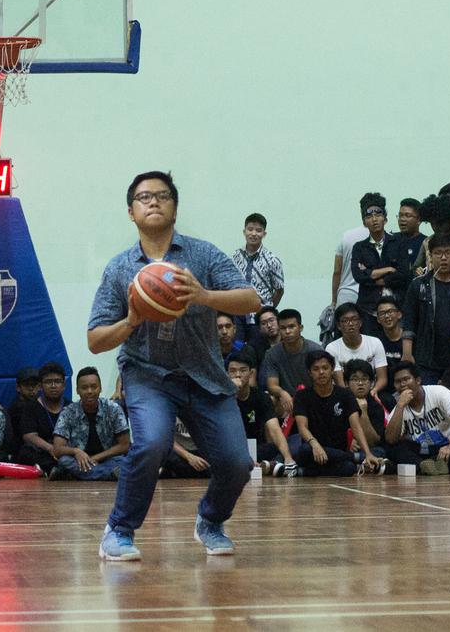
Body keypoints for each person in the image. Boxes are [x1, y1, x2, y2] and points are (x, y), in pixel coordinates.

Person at [87, 170, 260, 561]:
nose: (153, 201)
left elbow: (251, 300)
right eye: (144, 197)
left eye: (162, 195)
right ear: (131, 212)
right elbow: (95, 340)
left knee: (237, 462)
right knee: (151, 444)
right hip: (148, 374)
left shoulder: (203, 255)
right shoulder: (119, 268)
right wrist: (130, 322)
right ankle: (119, 529)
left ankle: (210, 521)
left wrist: (203, 295)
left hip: (204, 374)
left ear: (175, 207)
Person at [291, 351, 381, 476]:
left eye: (325, 368)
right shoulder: (302, 396)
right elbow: (302, 428)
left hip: (336, 453)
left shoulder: (345, 395)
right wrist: (315, 445)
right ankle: (355, 458)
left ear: (332, 370)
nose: (321, 372)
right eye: (316, 369)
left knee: (349, 468)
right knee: (305, 449)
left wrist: (368, 453)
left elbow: (356, 427)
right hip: (312, 450)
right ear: (309, 373)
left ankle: (303, 472)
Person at [384, 362, 450, 475]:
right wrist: (400, 406)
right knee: (393, 449)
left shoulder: (438, 391)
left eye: (406, 379)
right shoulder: (399, 407)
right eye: (398, 382)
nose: (402, 384)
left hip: (447, 448)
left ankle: (424, 467)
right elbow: (390, 439)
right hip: (423, 451)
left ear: (418, 380)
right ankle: (425, 466)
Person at [402, 233, 450, 385]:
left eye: (448, 253)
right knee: (429, 403)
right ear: (430, 256)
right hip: (427, 358)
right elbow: (409, 320)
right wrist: (407, 353)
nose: (443, 258)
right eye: (438, 253)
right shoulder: (419, 285)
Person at [50, 367, 129, 481]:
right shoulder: (68, 412)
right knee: (64, 461)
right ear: (77, 390)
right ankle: (108, 475)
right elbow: (57, 449)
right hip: (79, 460)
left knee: (126, 460)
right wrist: (76, 451)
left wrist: (96, 458)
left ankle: (75, 475)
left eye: (94, 387)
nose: (89, 391)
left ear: (100, 388)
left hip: (109, 459)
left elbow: (124, 445)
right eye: (84, 388)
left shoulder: (113, 409)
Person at [227, 352, 296, 476]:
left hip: (256, 449)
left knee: (290, 443)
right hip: (230, 449)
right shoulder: (221, 398)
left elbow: (274, 429)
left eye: (243, 370)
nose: (237, 375)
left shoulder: (261, 397)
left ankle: (268, 464)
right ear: (226, 374)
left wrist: (288, 458)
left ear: (251, 374)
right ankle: (268, 465)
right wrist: (231, 393)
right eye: (232, 371)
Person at [352, 193, 410, 322]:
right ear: (364, 222)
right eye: (369, 216)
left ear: (385, 218)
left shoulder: (399, 242)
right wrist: (388, 269)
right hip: (368, 309)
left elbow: (404, 274)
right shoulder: (359, 248)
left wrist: (371, 277)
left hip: (397, 307)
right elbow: (358, 276)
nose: (374, 219)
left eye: (378, 215)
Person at [231, 212, 285, 339]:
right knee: (238, 352)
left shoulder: (272, 260)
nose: (254, 233)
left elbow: (279, 290)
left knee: (259, 352)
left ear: (264, 234)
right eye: (250, 229)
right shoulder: (234, 257)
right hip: (237, 315)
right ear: (244, 231)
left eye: (258, 230)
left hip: (260, 317)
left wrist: (267, 309)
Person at [262, 308, 323, 417]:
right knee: (271, 400)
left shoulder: (315, 350)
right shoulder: (272, 354)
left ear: (300, 328)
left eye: (291, 327)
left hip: (313, 397)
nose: (287, 331)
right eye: (283, 328)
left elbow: (322, 381)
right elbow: (272, 385)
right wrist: (282, 393)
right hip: (287, 401)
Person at [325, 302, 388, 393]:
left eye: (354, 319)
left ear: (360, 322)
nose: (350, 323)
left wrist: (373, 391)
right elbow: (340, 382)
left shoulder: (375, 343)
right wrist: (351, 398)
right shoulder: (331, 348)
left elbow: (382, 378)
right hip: (345, 394)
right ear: (338, 325)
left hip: (372, 392)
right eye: (345, 320)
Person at [7, 366, 60, 474]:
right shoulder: (18, 407)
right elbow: (28, 437)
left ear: (40, 386)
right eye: (27, 385)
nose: (31, 389)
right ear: (18, 387)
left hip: (47, 447)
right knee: (27, 453)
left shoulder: (44, 403)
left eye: (35, 385)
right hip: (26, 449)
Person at [372, 296, 405, 366]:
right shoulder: (375, 341)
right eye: (382, 313)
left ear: (399, 314)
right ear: (378, 319)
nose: (386, 316)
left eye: (390, 311)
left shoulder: (409, 339)